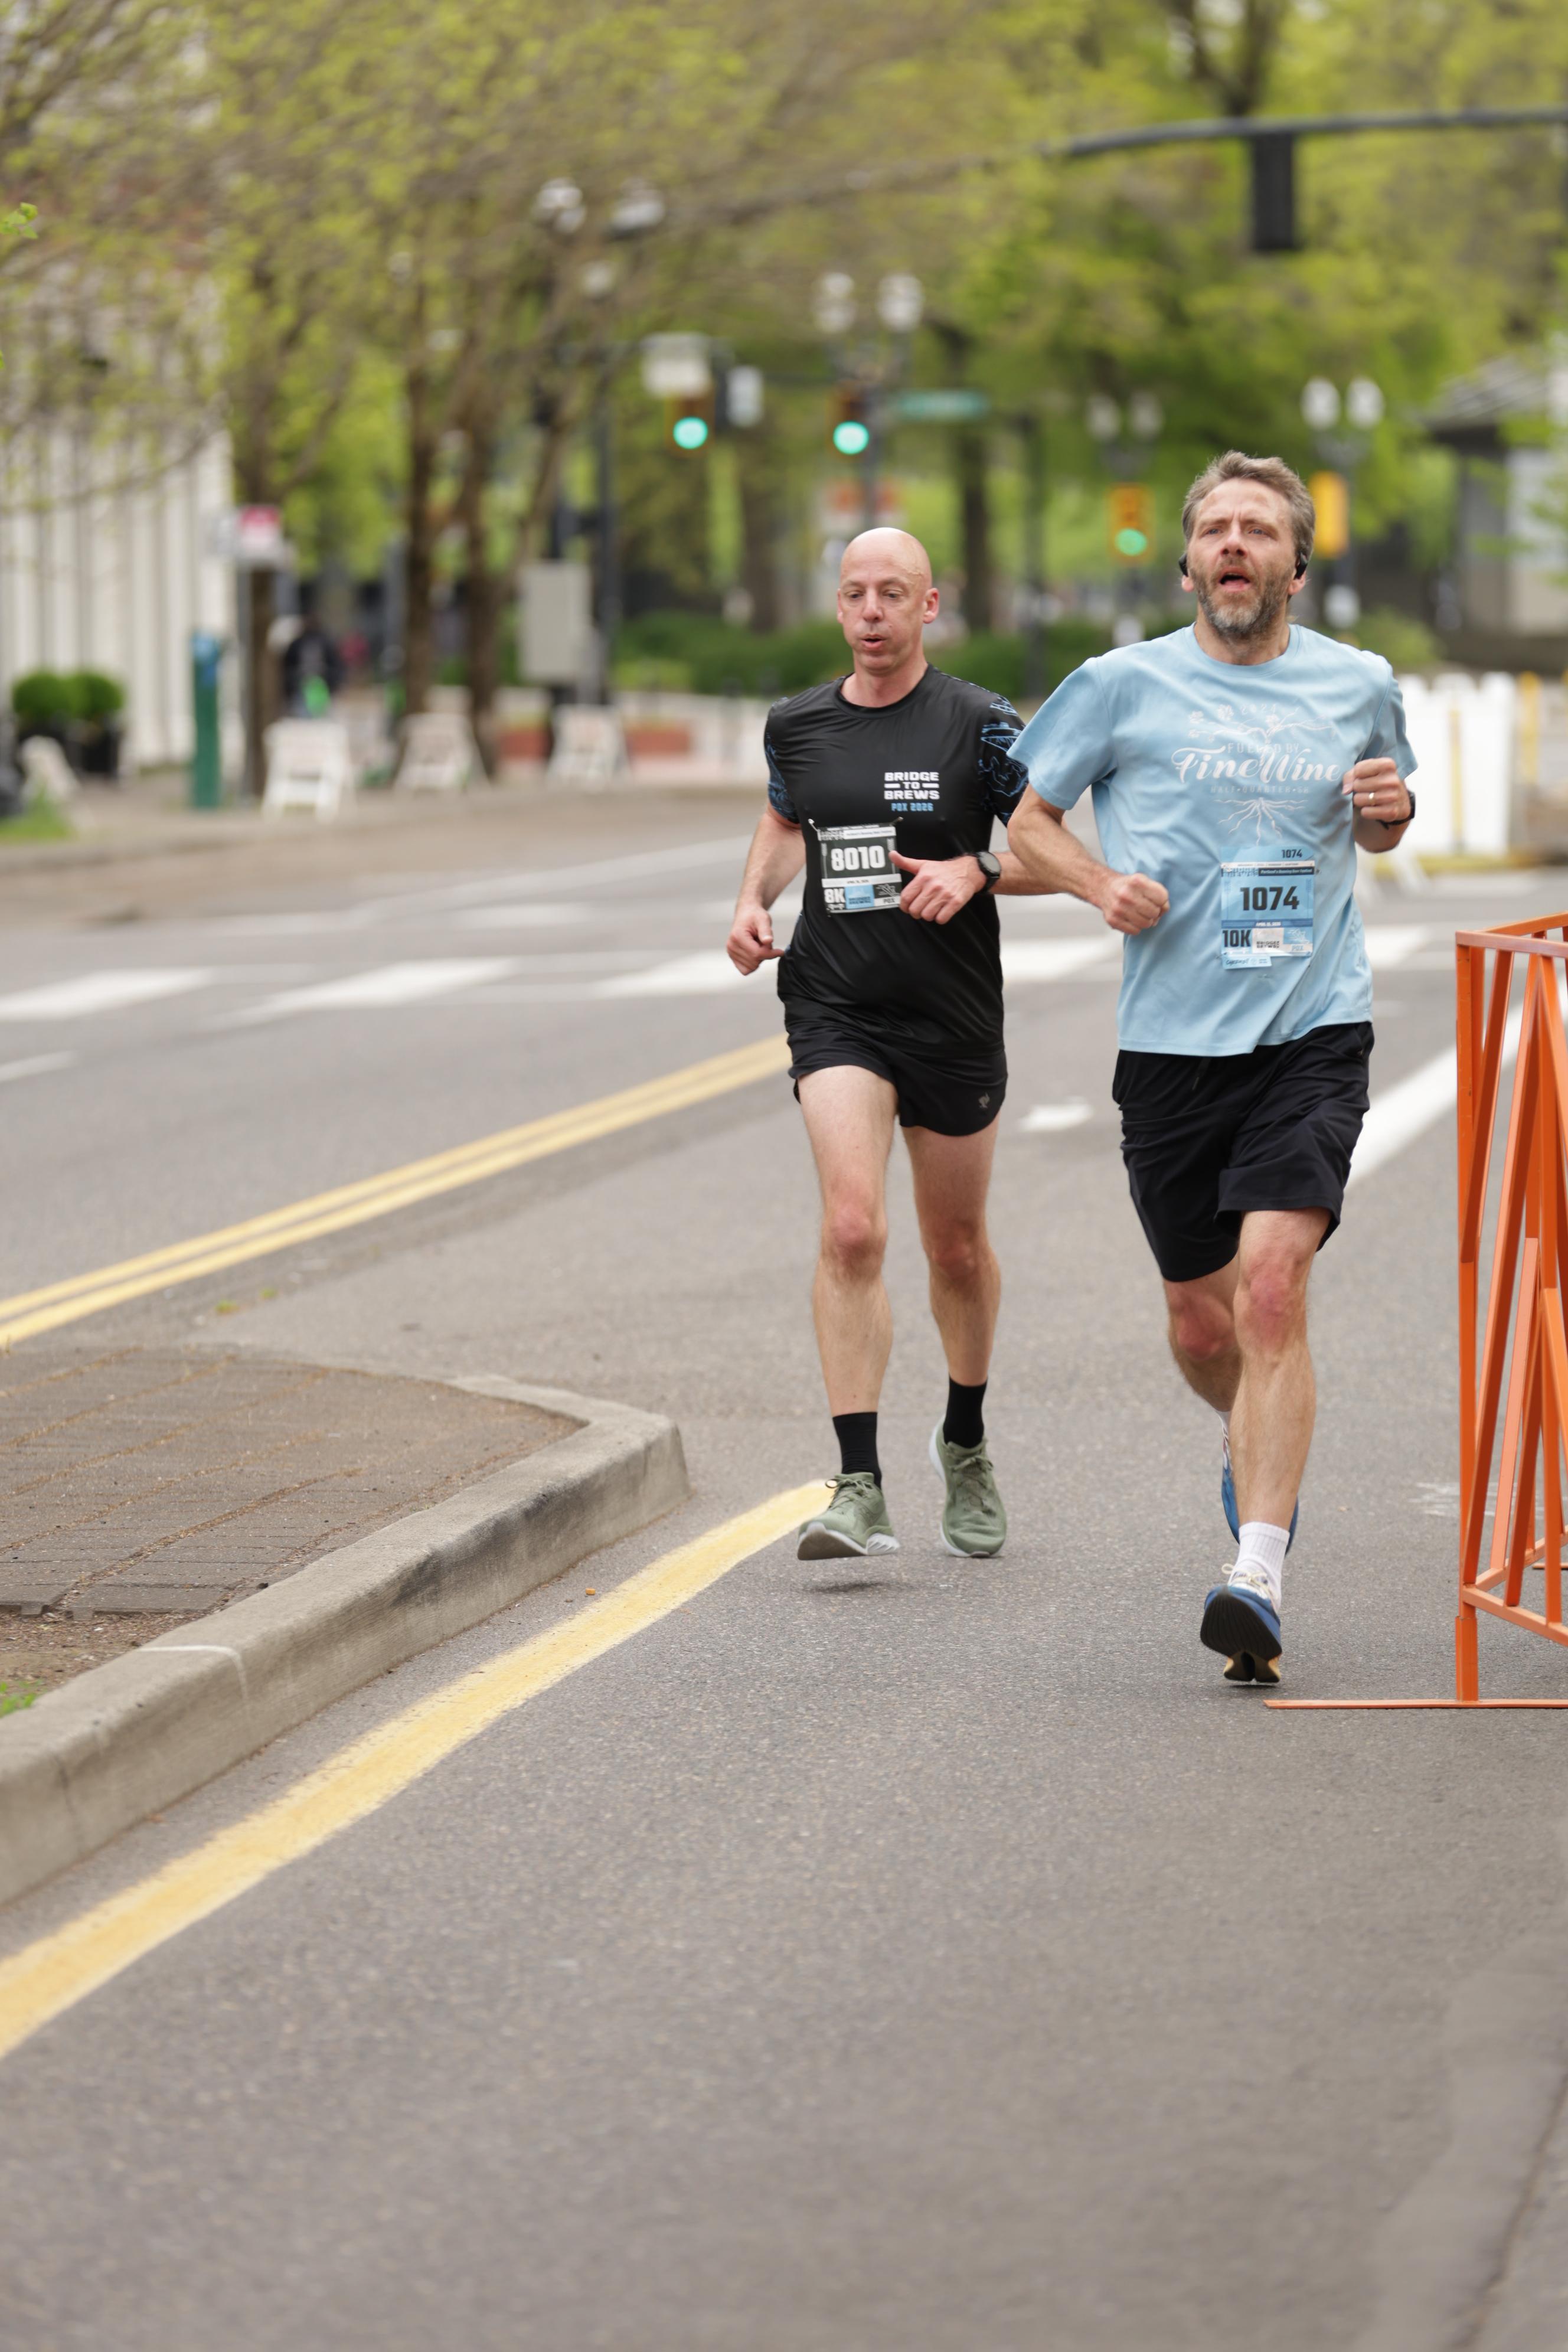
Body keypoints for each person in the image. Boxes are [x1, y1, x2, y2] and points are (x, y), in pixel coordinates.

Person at [1007, 452, 1417, 1683]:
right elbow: (1025, 822)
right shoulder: (1116, 685)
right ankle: (1255, 1441)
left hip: (1312, 1032)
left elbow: (1382, 819)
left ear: (1297, 565)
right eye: (1215, 530)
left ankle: (1258, 1567)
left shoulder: (1357, 682)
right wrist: (1097, 882)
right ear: (1186, 564)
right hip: (1171, 1050)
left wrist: (1388, 811)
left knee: (1271, 1289)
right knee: (1201, 1325)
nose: (1234, 544)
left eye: (1258, 530)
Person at [726, 527, 1044, 1561]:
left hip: (952, 1016)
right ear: (839, 607)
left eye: (892, 593)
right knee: (854, 1228)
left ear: (929, 606)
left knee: (955, 1247)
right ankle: (858, 1481)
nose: (871, 611)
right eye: (856, 593)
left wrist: (978, 870)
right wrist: (752, 901)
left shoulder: (981, 724)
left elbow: (1052, 851)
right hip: (837, 1006)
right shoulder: (797, 725)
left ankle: (966, 1438)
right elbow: (788, 821)